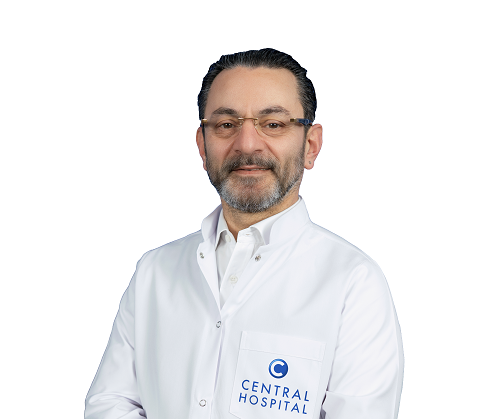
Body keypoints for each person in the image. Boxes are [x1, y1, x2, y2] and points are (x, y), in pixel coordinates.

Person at [85, 48, 404, 419]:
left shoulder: (354, 283)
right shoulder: (155, 272)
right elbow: (110, 405)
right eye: (226, 125)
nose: (247, 144)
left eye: (273, 124)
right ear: (203, 145)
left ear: (310, 146)